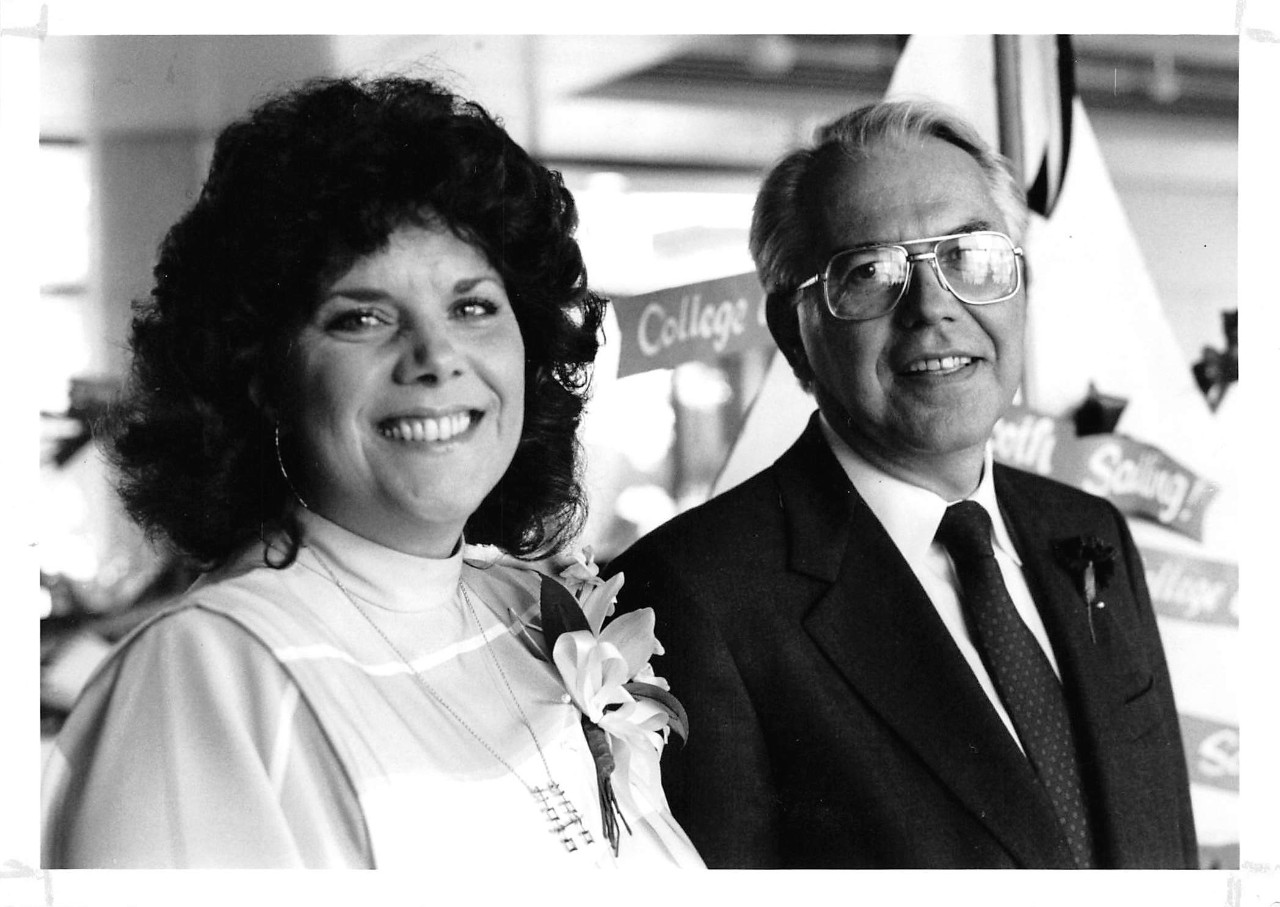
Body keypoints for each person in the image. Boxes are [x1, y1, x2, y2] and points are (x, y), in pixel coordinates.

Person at [41, 75, 703, 870]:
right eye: (363, 317)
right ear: (263, 375)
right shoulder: (205, 677)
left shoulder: (530, 609)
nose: (434, 357)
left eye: (473, 307)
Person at [606, 100, 1197, 869]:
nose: (933, 309)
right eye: (870, 273)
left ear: (1020, 286)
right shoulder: (696, 595)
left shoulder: (1086, 530)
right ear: (794, 333)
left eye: (970, 257)